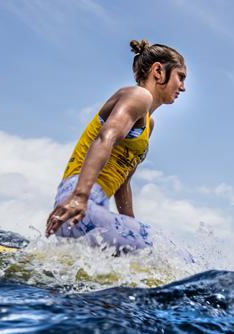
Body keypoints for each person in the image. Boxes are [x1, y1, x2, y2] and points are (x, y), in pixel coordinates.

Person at [45, 39, 187, 256]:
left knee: (148, 255)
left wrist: (129, 226)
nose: (183, 87)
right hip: (79, 204)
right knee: (174, 254)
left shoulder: (149, 124)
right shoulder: (139, 96)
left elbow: (123, 184)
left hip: (91, 211)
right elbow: (105, 138)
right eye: (181, 77)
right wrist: (80, 196)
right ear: (158, 71)